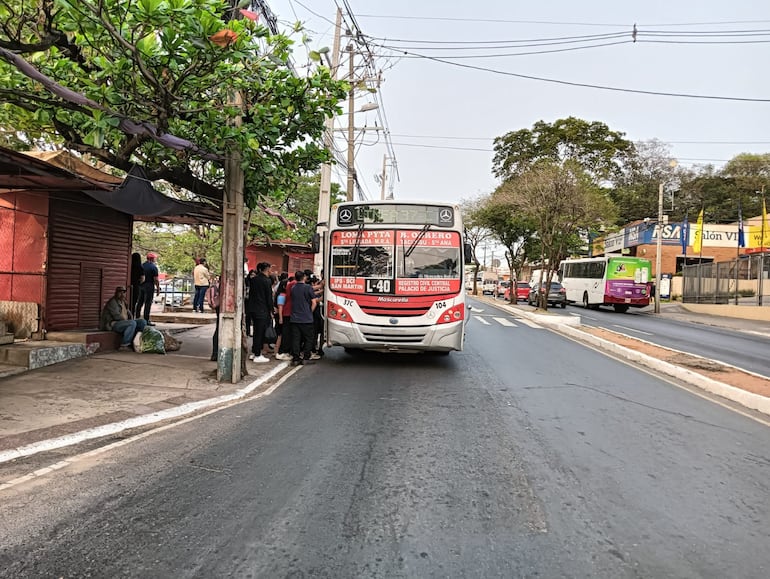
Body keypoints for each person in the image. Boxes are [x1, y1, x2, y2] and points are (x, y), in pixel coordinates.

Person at [100, 286, 147, 351]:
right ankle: (124, 345)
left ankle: (137, 341)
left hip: (124, 322)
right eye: (120, 292)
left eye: (124, 292)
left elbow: (128, 312)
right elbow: (117, 316)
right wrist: (128, 321)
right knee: (132, 323)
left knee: (142, 322)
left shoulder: (124, 301)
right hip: (113, 324)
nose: (122, 294)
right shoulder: (113, 302)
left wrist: (131, 319)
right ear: (116, 293)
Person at [246, 261, 273, 363]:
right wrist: (271, 310)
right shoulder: (267, 281)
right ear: (266, 269)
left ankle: (254, 352)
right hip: (262, 309)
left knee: (256, 331)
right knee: (260, 332)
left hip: (253, 308)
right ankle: (257, 354)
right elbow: (268, 297)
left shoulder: (254, 280)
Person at [290, 270, 318, 366]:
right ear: (304, 277)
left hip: (294, 317)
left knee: (296, 339)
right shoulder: (308, 288)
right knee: (309, 338)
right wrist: (310, 312)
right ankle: (306, 357)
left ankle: (296, 358)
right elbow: (314, 302)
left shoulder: (293, 288)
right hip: (306, 318)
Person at [137, 252, 161, 325]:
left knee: (139, 302)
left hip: (141, 286)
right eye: (154, 258)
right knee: (148, 303)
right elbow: (156, 279)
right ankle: (146, 320)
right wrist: (158, 288)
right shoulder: (153, 267)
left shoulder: (142, 266)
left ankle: (137, 317)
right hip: (149, 286)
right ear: (152, 259)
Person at [206, 276, 220, 361]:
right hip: (222, 307)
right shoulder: (222, 287)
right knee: (219, 330)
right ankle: (216, 353)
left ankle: (215, 353)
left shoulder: (216, 286)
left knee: (218, 329)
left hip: (218, 307)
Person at [129, 252, 144, 317]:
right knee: (133, 303)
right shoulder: (140, 267)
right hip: (136, 287)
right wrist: (138, 282)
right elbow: (143, 279)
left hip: (128, 286)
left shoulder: (129, 266)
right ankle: (131, 317)